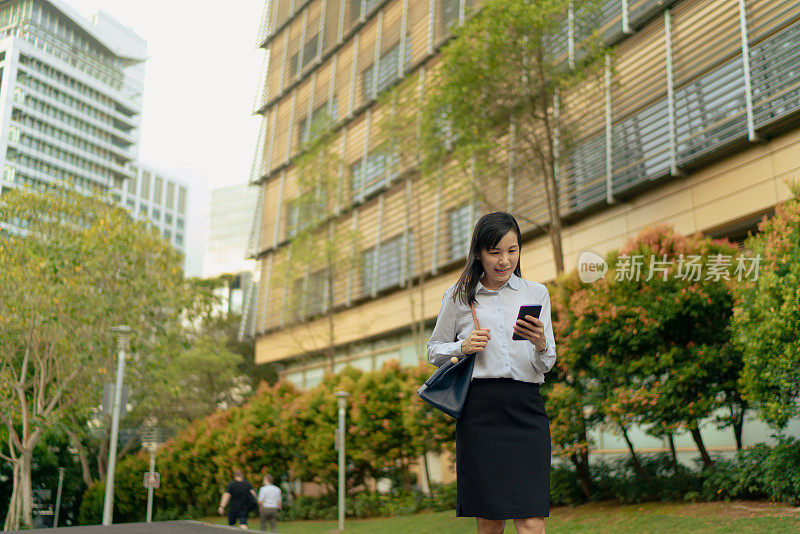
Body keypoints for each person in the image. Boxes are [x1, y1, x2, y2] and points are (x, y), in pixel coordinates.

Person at [427, 212, 556, 534]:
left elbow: (547, 363)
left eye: (512, 251)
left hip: (526, 407)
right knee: (489, 518)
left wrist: (540, 343)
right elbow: (433, 351)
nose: (504, 260)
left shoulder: (536, 293)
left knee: (530, 517)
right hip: (480, 411)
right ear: (479, 253)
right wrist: (462, 346)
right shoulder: (458, 296)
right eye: (495, 251)